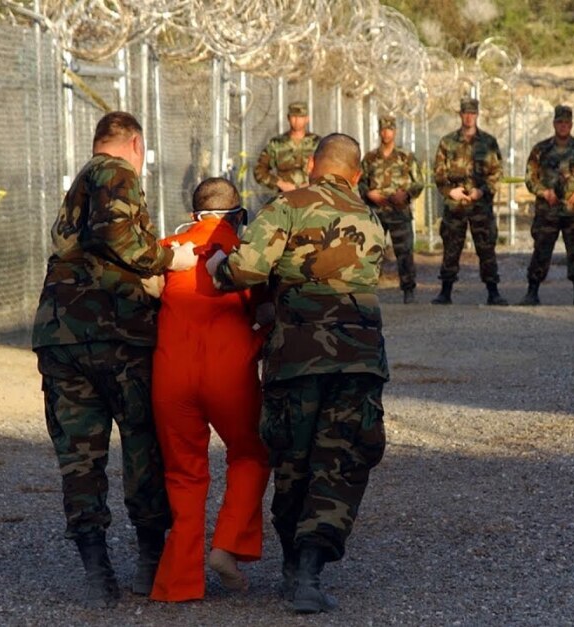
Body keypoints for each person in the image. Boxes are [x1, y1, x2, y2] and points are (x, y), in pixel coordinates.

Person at [205, 134, 388, 614]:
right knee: (340, 460)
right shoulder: (371, 220)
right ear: (356, 174)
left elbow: (245, 270)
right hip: (358, 359)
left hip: (297, 358)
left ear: (311, 166)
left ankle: (293, 565)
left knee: (293, 459)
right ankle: (309, 570)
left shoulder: (286, 207)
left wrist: (218, 266)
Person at [31, 111, 197, 608]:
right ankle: (150, 562)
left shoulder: (82, 181)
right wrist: (169, 260)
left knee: (80, 458)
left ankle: (97, 571)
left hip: (62, 335)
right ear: (136, 144)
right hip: (118, 335)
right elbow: (117, 235)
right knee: (144, 446)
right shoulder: (115, 171)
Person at [148, 178, 271, 602]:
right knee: (251, 453)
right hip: (229, 373)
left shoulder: (168, 249)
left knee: (183, 473)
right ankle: (227, 546)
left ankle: (178, 583)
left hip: (171, 374)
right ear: (237, 214)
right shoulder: (245, 253)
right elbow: (266, 310)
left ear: (193, 213)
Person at [522, 105, 574, 306]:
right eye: (560, 122)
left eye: (566, 122)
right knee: (541, 251)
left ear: (571, 124)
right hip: (547, 211)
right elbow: (530, 179)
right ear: (554, 124)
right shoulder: (540, 150)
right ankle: (532, 292)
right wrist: (544, 192)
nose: (563, 126)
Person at [431, 97, 507, 306]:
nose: (469, 117)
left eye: (472, 113)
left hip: (480, 205)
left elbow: (496, 173)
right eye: (466, 113)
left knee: (486, 248)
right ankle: (445, 291)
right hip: (455, 206)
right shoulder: (448, 142)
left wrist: (482, 191)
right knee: (451, 248)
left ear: (477, 115)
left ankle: (493, 292)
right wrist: (450, 191)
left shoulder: (488, 142)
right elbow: (439, 174)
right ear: (460, 114)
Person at [359, 115, 423, 304]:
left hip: (399, 212)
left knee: (404, 252)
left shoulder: (405, 157)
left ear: (395, 132)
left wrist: (406, 194)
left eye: (390, 129)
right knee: (371, 252)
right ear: (379, 132)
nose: (386, 133)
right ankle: (368, 291)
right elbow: (360, 181)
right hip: (376, 212)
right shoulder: (370, 158)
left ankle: (408, 290)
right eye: (383, 129)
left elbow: (418, 182)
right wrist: (368, 193)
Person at [254, 101, 322, 193]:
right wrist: (280, 184)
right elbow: (259, 170)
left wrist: (312, 183)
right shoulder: (277, 143)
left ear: (307, 119)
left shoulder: (318, 143)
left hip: (312, 194)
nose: (297, 120)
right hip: (285, 195)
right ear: (288, 118)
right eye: (294, 116)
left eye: (301, 117)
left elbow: (327, 170)